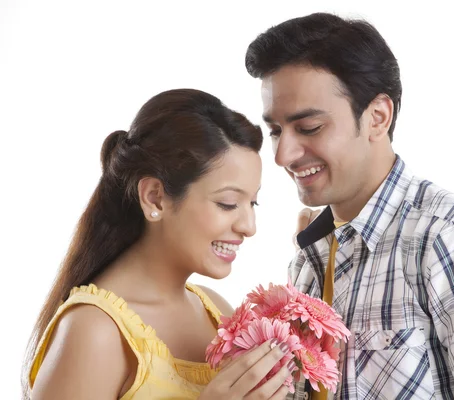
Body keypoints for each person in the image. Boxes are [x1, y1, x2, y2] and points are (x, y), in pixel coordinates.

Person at [246, 12, 454, 400]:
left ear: (378, 117)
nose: (283, 154)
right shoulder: (309, 260)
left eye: (309, 128)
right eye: (275, 131)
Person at [22, 89, 294, 400]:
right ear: (155, 197)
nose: (249, 227)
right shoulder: (95, 331)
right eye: (228, 203)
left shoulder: (217, 313)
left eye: (253, 204)